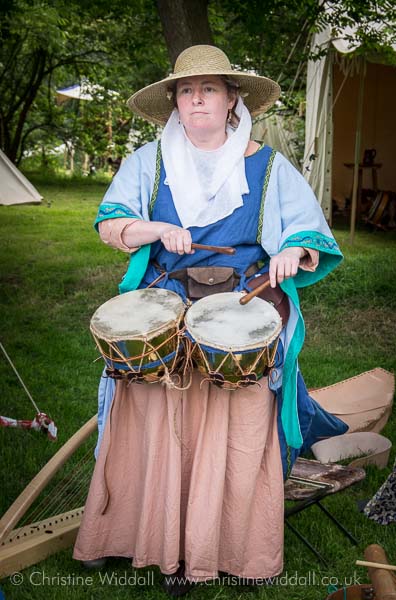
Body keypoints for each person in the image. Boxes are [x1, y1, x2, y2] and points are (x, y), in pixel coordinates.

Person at [73, 45, 346, 594]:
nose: (197, 99)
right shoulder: (147, 163)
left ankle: (230, 549)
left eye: (210, 89)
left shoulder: (268, 166)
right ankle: (142, 536)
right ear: (175, 102)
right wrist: (153, 231)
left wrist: (291, 251)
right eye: (187, 90)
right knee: (158, 412)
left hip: (242, 302)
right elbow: (111, 224)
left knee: (236, 423)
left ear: (231, 100)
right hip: (166, 296)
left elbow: (309, 233)